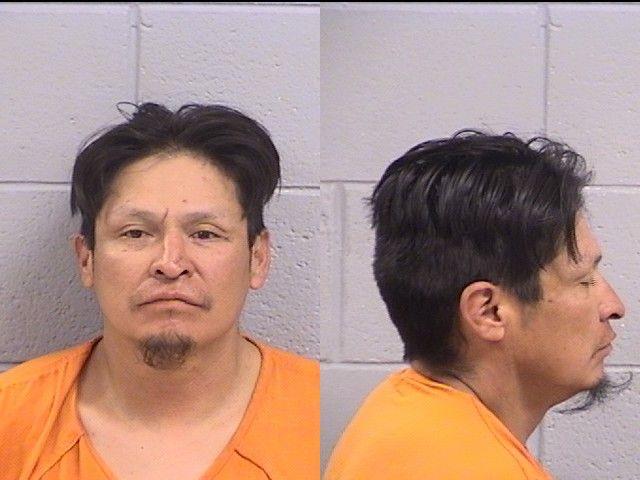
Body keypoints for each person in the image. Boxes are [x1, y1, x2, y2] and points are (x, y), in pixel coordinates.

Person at [0, 103, 319, 480]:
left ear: (258, 258)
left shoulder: (319, 416)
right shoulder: (11, 418)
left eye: (205, 234)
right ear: (86, 259)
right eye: (135, 233)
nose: (170, 263)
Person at [324, 131, 625, 479]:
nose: (615, 307)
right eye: (583, 280)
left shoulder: (398, 411)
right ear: (489, 312)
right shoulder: (478, 468)